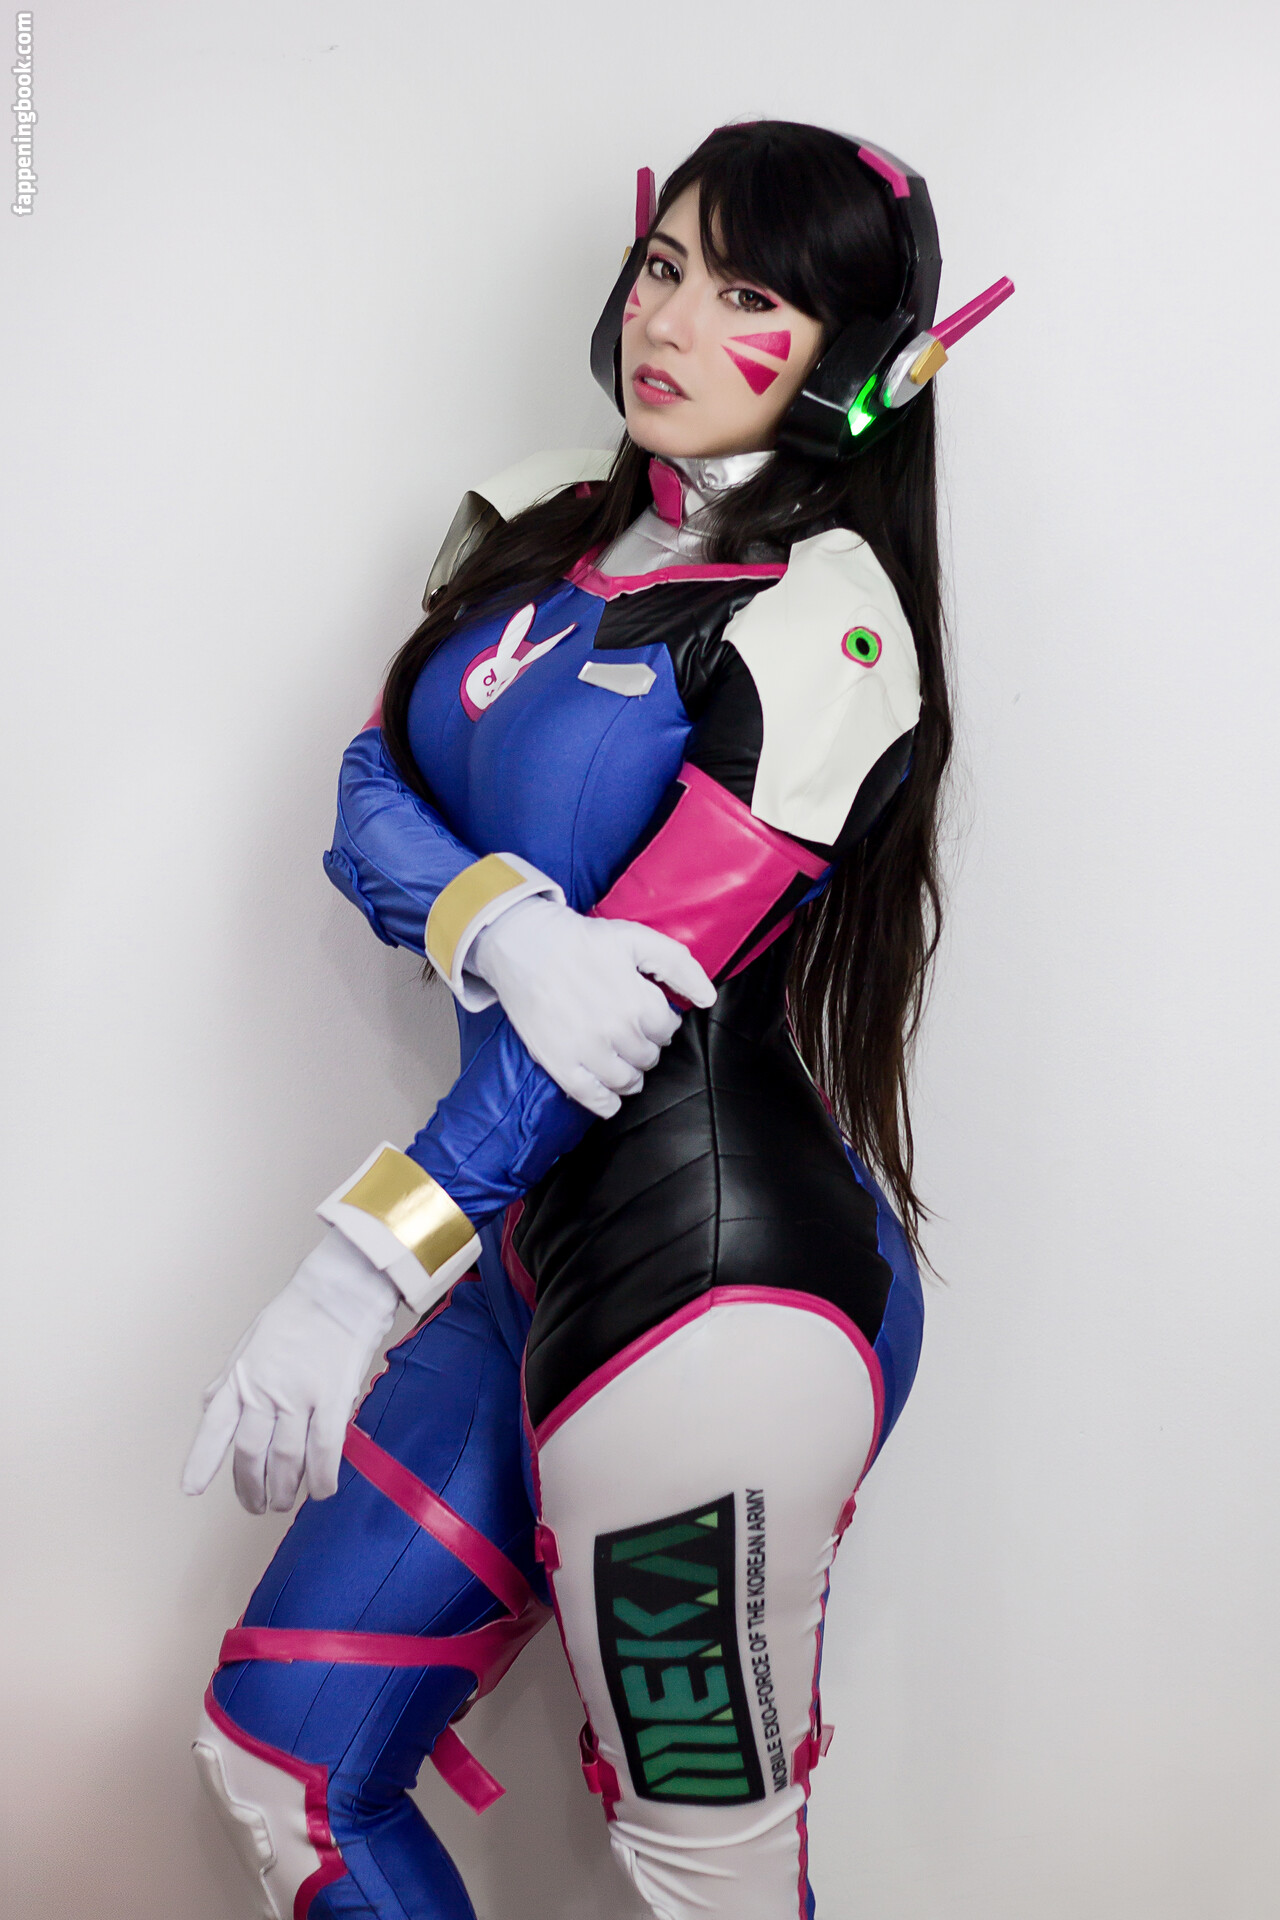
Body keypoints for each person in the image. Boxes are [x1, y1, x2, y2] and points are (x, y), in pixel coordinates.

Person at [183, 120, 1010, 1920]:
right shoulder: (535, 514)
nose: (676, 324)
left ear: (858, 363)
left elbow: (598, 1035)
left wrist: (354, 1272)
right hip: (522, 1252)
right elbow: (368, 791)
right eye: (667, 265)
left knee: (707, 1880)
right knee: (285, 1761)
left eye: (752, 297)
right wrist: (497, 921)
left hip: (710, 1305)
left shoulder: (826, 624)